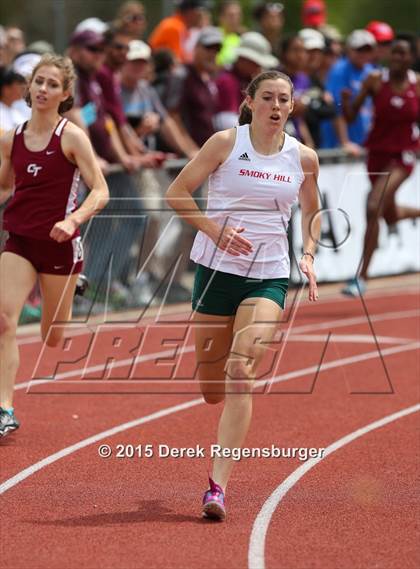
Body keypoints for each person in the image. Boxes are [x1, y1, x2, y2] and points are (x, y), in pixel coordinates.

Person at [166, 70, 320, 520]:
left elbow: (312, 211)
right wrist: (215, 230)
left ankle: (218, 487)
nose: (276, 105)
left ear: (292, 106)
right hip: (215, 273)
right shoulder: (225, 143)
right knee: (212, 389)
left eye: (284, 99)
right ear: (250, 102)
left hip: (269, 276)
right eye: (268, 97)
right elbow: (177, 193)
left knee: (241, 370)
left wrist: (308, 255)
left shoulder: (303, 157)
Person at [0, 54, 109, 436]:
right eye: (38, 82)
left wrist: (74, 220)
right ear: (29, 87)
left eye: (51, 84)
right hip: (20, 240)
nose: (43, 89)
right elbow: (3, 185)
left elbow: (101, 190)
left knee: (53, 336)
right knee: (3, 320)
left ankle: (72, 286)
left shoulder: (71, 137)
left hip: (60, 244)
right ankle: (4, 407)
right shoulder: (10, 138)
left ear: (64, 94)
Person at [341, 36, 420, 296]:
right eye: (394, 53)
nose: (397, 58)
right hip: (376, 154)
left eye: (403, 54)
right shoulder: (376, 80)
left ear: (411, 58)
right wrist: (346, 102)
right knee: (388, 213)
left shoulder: (416, 85)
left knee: (373, 205)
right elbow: (351, 115)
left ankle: (360, 277)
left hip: (404, 155)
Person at [320, 29, 376, 154]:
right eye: (359, 49)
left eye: (368, 49)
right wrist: (344, 142)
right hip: (340, 145)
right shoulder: (340, 70)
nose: (364, 54)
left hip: (362, 142)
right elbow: (336, 107)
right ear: (349, 50)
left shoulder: (370, 70)